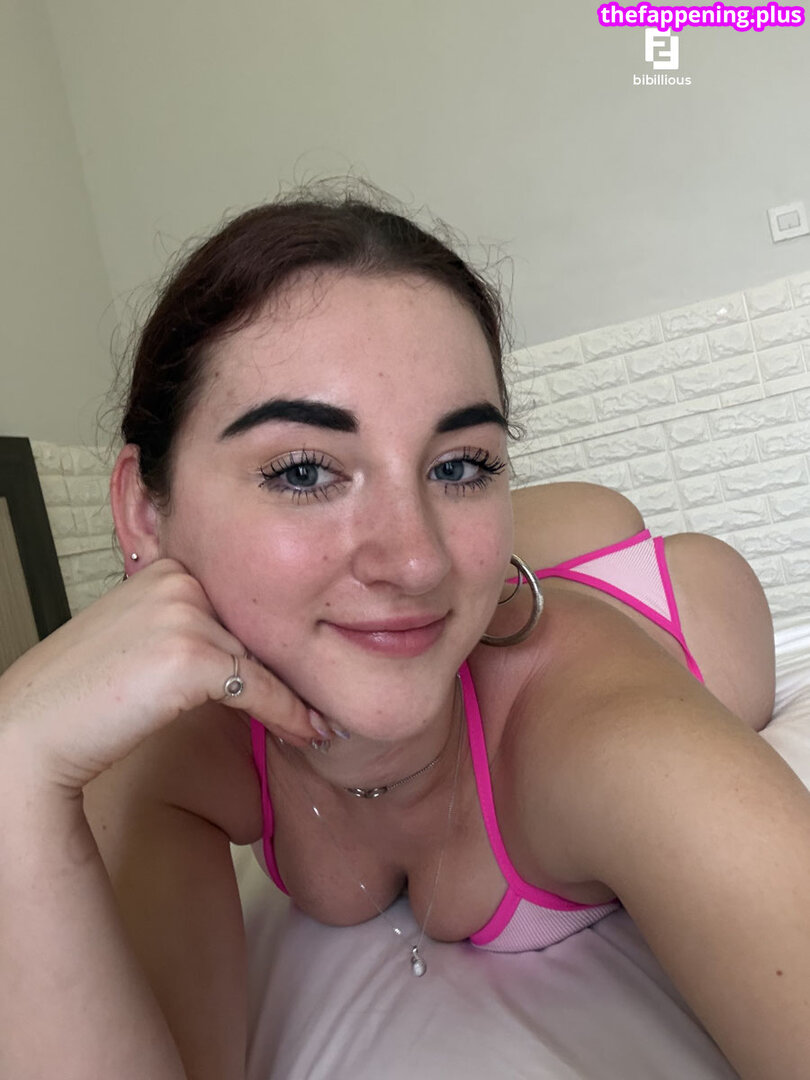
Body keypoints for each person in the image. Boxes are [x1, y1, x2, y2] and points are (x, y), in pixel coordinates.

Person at [1, 181, 808, 1080]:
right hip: (496, 580)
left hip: (645, 593)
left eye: (462, 463)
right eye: (303, 471)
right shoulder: (172, 752)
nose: (416, 560)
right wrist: (14, 760)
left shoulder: (607, 738)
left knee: (528, 569)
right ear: (144, 515)